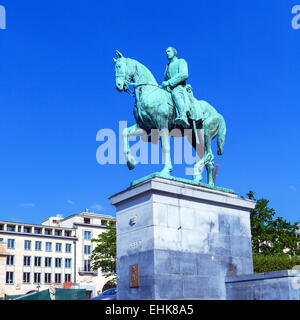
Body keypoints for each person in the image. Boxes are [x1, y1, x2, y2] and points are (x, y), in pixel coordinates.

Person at [161, 47, 190, 128]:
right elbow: (165, 80)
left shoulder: (181, 61)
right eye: (166, 52)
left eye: (169, 51)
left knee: (175, 94)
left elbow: (184, 74)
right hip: (169, 90)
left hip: (179, 87)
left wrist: (169, 82)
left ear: (174, 52)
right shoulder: (167, 67)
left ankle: (183, 116)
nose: (167, 53)